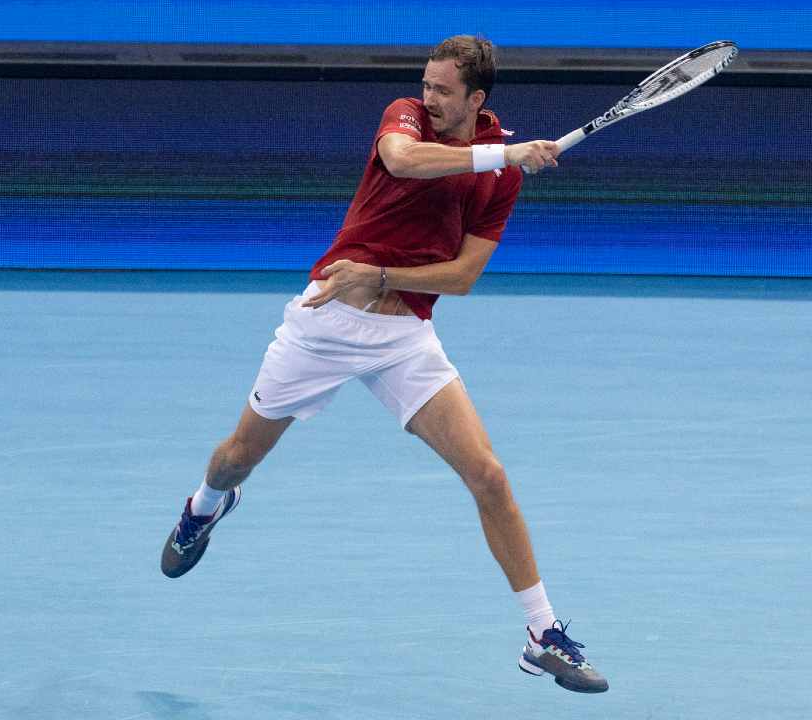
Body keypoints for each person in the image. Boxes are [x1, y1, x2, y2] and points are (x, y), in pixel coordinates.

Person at [159, 35, 608, 694]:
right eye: (427, 84)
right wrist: (505, 152)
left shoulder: (502, 178)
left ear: (476, 98)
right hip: (323, 323)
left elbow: (462, 277)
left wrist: (382, 276)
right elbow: (402, 161)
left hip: (403, 338)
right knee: (235, 459)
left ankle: (543, 635)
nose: (429, 97)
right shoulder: (407, 119)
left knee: (487, 475)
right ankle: (205, 507)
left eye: (443, 90)